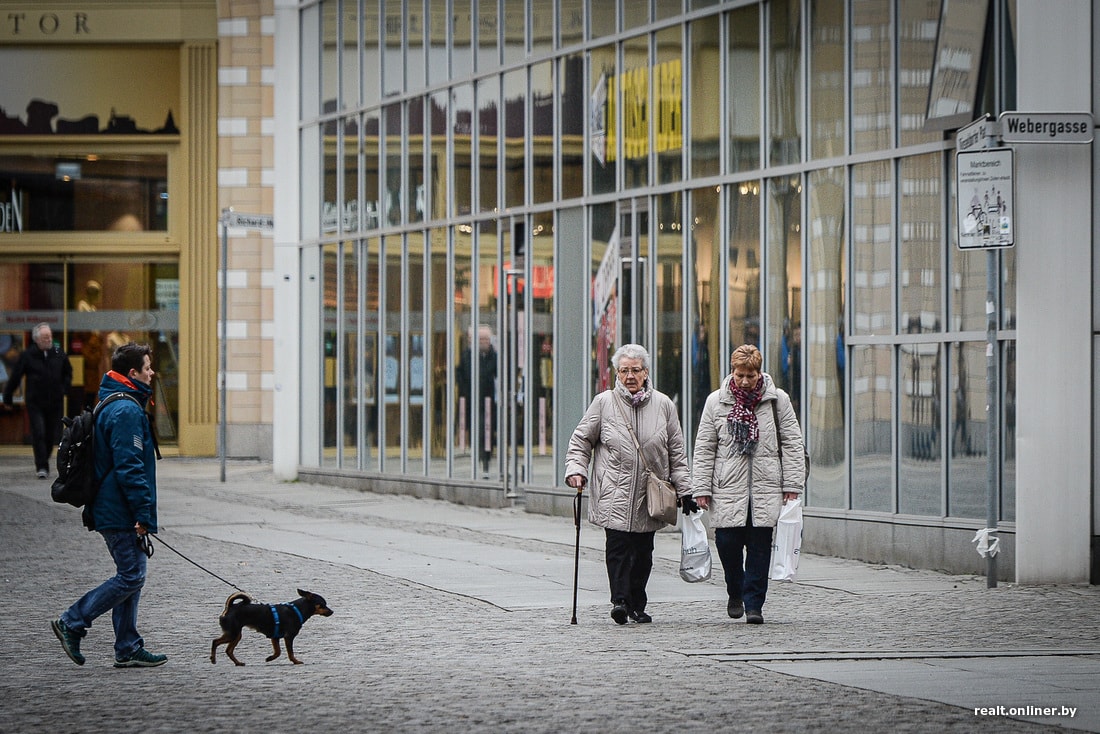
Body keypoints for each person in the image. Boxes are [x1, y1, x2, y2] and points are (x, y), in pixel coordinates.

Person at [50, 341, 167, 668]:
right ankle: (72, 621)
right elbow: (129, 467)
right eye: (147, 367)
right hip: (117, 509)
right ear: (133, 373)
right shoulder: (126, 410)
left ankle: (127, 646)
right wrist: (142, 513)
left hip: (112, 506)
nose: (152, 372)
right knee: (131, 575)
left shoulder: (115, 401)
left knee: (133, 573)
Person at [565, 344, 691, 625]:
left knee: (643, 554)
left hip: (650, 495)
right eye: (624, 370)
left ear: (646, 372)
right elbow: (581, 440)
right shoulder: (603, 403)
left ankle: (637, 602)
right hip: (614, 490)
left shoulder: (664, 405)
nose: (630, 375)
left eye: (636, 370)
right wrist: (576, 469)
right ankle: (620, 601)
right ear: (616, 374)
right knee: (618, 548)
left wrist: (685, 490)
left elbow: (676, 453)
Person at [691, 344, 804, 625]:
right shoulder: (716, 401)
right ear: (732, 371)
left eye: (750, 375)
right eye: (739, 374)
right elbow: (705, 446)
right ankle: (735, 589)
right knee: (727, 544)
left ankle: (754, 604)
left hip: (766, 486)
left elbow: (792, 443)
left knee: (760, 547)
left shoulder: (778, 401)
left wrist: (791, 484)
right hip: (727, 485)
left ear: (759, 373)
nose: (744, 380)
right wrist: (701, 488)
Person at [2, 323, 73, 479]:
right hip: (35, 402)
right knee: (38, 432)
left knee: (50, 435)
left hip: (54, 401)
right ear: (37, 340)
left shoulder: (58, 352)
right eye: (45, 337)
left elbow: (68, 372)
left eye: (49, 336)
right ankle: (42, 466)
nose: (49, 339)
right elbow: (16, 376)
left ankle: (44, 457)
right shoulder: (28, 355)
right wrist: (8, 396)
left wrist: (65, 388)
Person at [457, 325, 498, 477]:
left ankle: (486, 461)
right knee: (475, 432)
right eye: (481, 339)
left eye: (486, 339)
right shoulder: (467, 356)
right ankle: (478, 459)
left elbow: (499, 375)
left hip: (488, 402)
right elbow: (461, 375)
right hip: (471, 402)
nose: (484, 342)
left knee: (487, 432)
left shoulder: (494, 356)